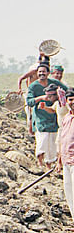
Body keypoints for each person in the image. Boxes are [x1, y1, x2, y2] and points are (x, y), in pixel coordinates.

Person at [26, 63, 68, 168]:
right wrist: (41, 98)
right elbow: (29, 101)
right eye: (40, 72)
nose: (42, 74)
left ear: (48, 73)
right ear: (37, 73)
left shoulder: (55, 83)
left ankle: (50, 164)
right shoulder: (33, 86)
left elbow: (68, 91)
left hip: (54, 117)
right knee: (42, 140)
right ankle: (40, 163)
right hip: (41, 117)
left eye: (44, 72)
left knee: (53, 142)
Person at [55, 88, 74, 220]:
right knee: (69, 193)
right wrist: (59, 161)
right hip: (66, 161)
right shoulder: (66, 118)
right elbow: (63, 139)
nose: (73, 102)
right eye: (70, 100)